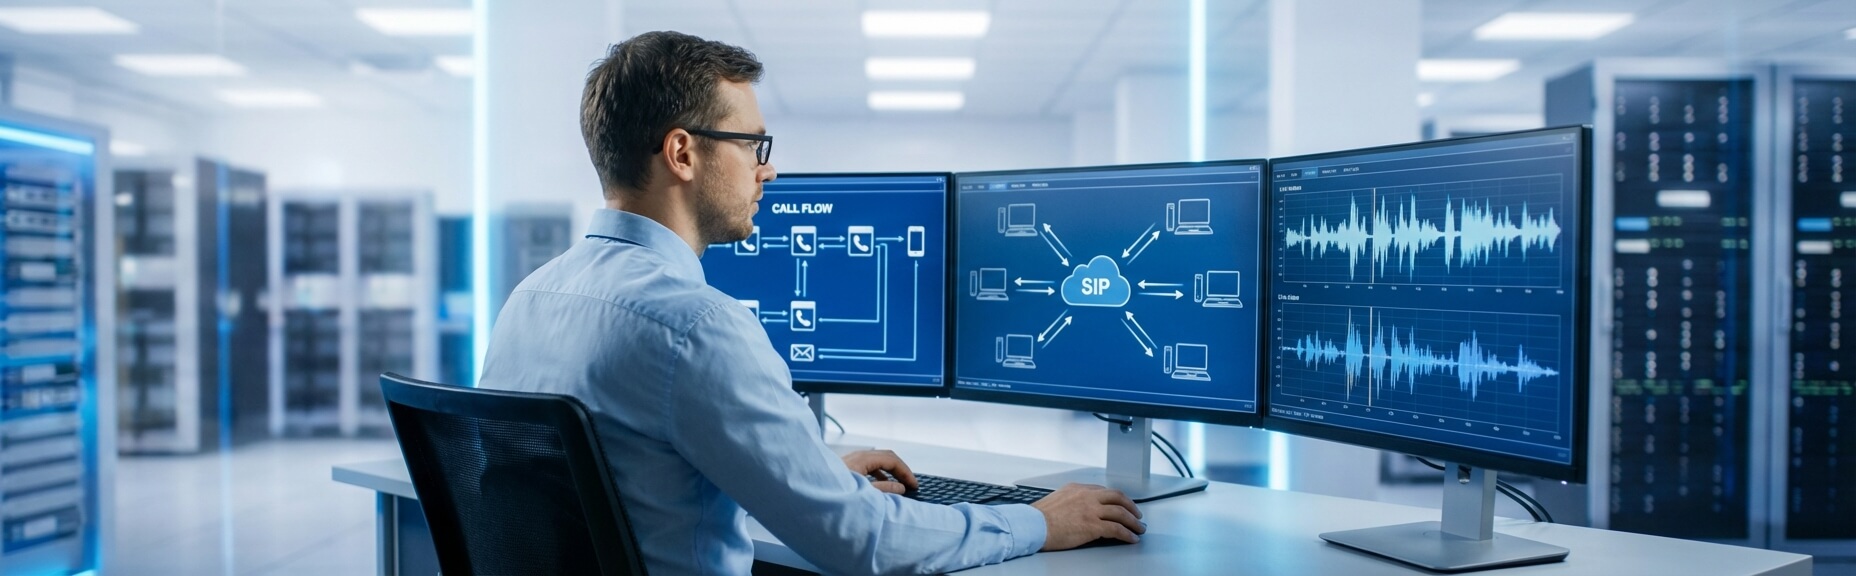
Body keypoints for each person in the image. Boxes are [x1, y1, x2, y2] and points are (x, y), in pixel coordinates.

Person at [477, 30, 1145, 575]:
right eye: (751, 145)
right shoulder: (697, 326)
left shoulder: (529, 300)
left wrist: (809, 474)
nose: (765, 169)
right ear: (681, 153)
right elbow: (863, 542)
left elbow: (626, 490)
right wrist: (1037, 521)